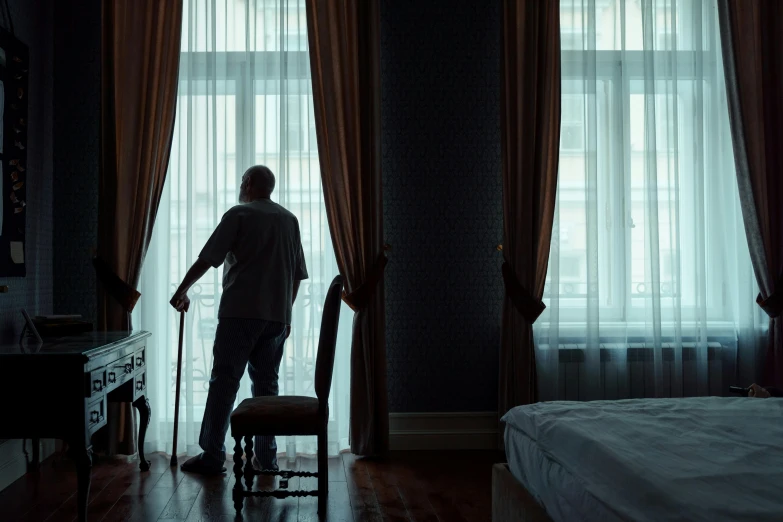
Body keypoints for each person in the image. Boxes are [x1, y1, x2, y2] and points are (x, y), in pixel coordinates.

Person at [170, 165, 308, 475]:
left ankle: (213, 456)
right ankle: (266, 460)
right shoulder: (289, 220)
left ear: (247, 183)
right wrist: (285, 313)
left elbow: (208, 258)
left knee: (224, 382)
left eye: (242, 180)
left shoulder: (239, 215)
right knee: (265, 387)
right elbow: (297, 274)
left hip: (240, 314)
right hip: (276, 317)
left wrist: (181, 289)